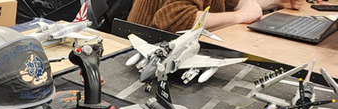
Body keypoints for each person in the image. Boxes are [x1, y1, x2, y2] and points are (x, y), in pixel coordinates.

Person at [127, 0, 306, 32]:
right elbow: (178, 20)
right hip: (144, 50)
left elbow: (230, 2)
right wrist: (240, 16)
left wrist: (279, 2)